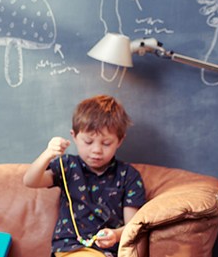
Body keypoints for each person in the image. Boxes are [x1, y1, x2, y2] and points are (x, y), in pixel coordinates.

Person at [22, 94, 146, 257]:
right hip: (69, 248)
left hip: (106, 251)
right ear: (74, 136)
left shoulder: (128, 176)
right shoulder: (67, 166)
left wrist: (116, 235)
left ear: (120, 141)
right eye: (88, 142)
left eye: (106, 143)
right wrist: (48, 154)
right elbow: (30, 181)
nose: (96, 150)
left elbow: (133, 225)